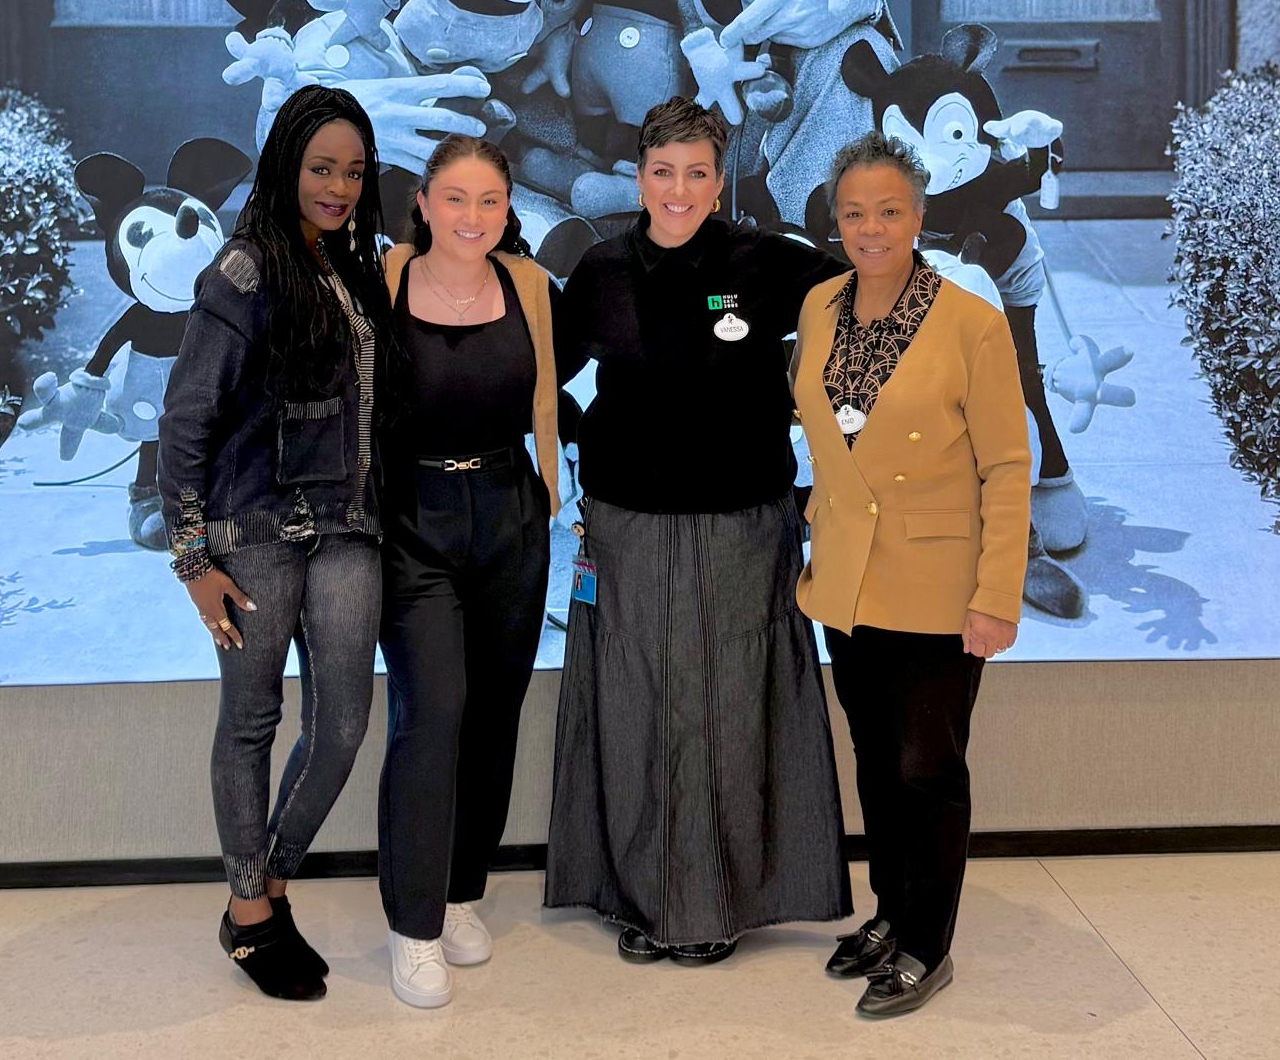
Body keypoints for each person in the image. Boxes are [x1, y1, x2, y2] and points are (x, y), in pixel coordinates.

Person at [544, 96, 853, 963]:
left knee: (730, 709)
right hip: (626, 524)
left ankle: (721, 902)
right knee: (636, 709)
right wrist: (575, 436)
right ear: (640, 177)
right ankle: (644, 900)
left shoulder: (769, 262)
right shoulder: (600, 272)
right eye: (662, 171)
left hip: (742, 523)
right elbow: (541, 376)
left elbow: (869, 304)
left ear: (720, 183)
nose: (678, 190)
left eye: (697, 174)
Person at [157, 84, 392, 1000]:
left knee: (339, 727)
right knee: (252, 723)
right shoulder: (244, 269)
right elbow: (185, 420)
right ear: (287, 163)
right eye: (322, 166)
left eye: (354, 170)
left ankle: (270, 881)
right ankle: (251, 917)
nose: (338, 184)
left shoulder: (351, 263)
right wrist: (192, 560)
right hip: (252, 534)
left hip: (347, 529)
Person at [790, 130, 1031, 1019]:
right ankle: (892, 912)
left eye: (889, 210)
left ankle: (929, 943)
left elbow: (1008, 465)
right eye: (854, 212)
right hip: (849, 581)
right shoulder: (819, 307)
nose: (872, 227)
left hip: (940, 585)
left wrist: (996, 597)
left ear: (920, 215)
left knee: (929, 765)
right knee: (877, 759)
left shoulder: (972, 320)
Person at [376, 135, 566, 1009]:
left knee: (493, 714)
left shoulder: (527, 283)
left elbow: (550, 399)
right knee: (432, 713)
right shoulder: (384, 278)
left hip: (508, 513)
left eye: (490, 200)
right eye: (456, 197)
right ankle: (412, 925)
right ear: (422, 201)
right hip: (411, 520)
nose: (473, 216)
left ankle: (460, 893)